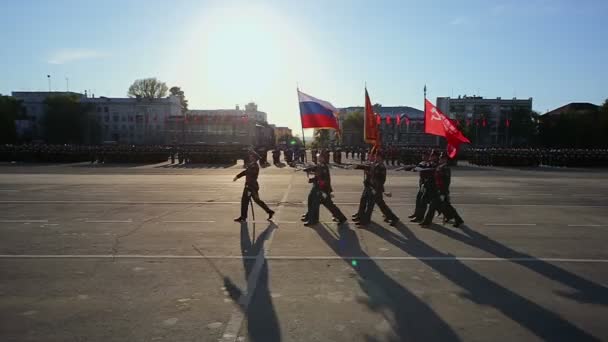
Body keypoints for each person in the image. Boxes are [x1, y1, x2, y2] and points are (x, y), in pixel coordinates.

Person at [354, 151, 399, 226]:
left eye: (377, 156)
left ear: (381, 157)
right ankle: (394, 218)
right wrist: (356, 166)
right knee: (381, 205)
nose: (375, 157)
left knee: (370, 206)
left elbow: (382, 180)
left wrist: (375, 189)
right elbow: (367, 167)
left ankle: (365, 221)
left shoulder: (381, 167)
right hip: (372, 188)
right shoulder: (376, 165)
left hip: (376, 189)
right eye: (375, 156)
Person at [302, 152, 347, 226]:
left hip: (322, 189)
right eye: (318, 157)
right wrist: (308, 170)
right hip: (317, 187)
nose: (318, 158)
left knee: (325, 205)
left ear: (323, 158)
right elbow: (315, 169)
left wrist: (320, 188)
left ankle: (313, 220)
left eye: (320, 157)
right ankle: (310, 216)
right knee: (311, 201)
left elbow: (323, 180)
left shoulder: (323, 167)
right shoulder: (319, 165)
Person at [420, 154, 464, 228]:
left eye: (442, 159)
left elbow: (446, 182)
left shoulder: (445, 168)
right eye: (440, 158)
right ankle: (458, 220)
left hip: (442, 191)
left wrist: (443, 192)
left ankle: (427, 222)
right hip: (438, 190)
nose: (440, 160)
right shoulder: (440, 167)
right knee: (447, 206)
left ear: (445, 160)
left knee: (433, 206)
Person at [233, 152, 275, 222]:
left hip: (250, 187)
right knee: (256, 200)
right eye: (250, 156)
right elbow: (245, 172)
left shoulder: (254, 166)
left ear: (254, 158)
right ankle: (269, 211)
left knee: (245, 201)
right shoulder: (252, 165)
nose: (250, 157)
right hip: (251, 186)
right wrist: (237, 176)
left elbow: (248, 173)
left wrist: (240, 178)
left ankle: (243, 217)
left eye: (251, 156)